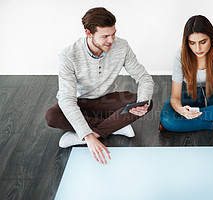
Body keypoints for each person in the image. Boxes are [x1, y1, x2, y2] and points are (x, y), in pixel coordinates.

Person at [45, 7, 154, 164]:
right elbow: (67, 99)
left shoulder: (122, 46)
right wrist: (88, 137)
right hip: (79, 102)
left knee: (146, 104)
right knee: (52, 116)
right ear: (88, 33)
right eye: (105, 36)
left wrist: (143, 101)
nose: (111, 40)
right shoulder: (68, 55)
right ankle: (113, 127)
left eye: (113, 34)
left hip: (106, 100)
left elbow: (144, 78)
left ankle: (84, 134)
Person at [159, 15, 213, 134]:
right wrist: (182, 111)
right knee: (167, 119)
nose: (198, 48)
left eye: (203, 42)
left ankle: (183, 122)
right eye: (192, 43)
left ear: (211, 38)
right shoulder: (180, 55)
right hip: (188, 93)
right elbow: (175, 98)